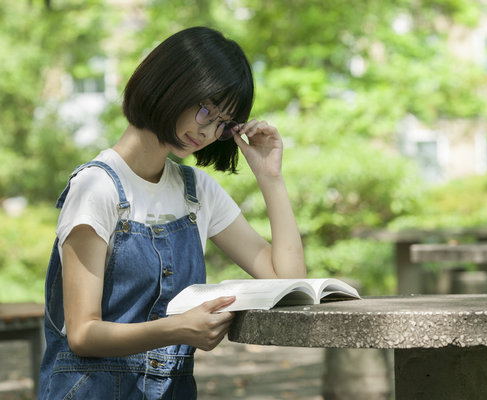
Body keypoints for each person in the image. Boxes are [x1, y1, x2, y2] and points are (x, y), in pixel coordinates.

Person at [39, 26, 306, 399]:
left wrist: (271, 178)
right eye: (205, 111)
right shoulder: (96, 188)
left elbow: (288, 284)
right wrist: (177, 329)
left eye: (223, 123)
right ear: (170, 85)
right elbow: (83, 334)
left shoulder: (197, 192)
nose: (210, 131)